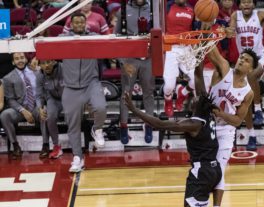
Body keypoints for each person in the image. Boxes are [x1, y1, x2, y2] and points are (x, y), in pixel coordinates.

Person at [123, 84, 221, 207]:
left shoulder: (193, 124)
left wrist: (135, 111)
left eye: (195, 98)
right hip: (213, 170)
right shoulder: (209, 117)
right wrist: (197, 65)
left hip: (202, 172)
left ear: (197, 106)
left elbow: (160, 124)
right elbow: (200, 84)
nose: (193, 97)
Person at [196, 22, 256, 207]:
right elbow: (209, 48)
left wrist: (222, 114)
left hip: (225, 130)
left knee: (219, 171)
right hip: (206, 125)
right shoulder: (224, 68)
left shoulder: (248, 93)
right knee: (202, 168)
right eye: (242, 57)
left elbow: (239, 120)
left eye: (247, 60)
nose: (242, 60)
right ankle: (198, 205)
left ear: (251, 68)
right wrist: (212, 29)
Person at [226, 0, 264, 150]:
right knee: (244, 98)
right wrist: (230, 30)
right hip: (244, 59)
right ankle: (251, 134)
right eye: (243, 2)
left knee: (250, 77)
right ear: (239, 5)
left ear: (254, 4)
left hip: (260, 57)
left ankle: (259, 109)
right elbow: (232, 27)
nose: (246, 5)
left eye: (249, 2)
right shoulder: (235, 15)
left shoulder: (260, 15)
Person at [60, 12, 107, 173]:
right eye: (76, 23)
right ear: (71, 24)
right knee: (73, 125)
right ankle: (77, 158)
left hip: (91, 83)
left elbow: (110, 42)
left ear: (85, 23)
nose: (79, 25)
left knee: (100, 107)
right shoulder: (62, 40)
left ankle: (97, 129)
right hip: (70, 86)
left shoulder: (94, 37)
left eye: (82, 22)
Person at [114, 0, 155, 144]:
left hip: (148, 58)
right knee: (126, 93)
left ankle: (149, 124)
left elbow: (159, 37)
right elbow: (116, 37)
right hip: (129, 59)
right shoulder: (123, 11)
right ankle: (124, 126)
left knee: (149, 93)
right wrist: (122, 61)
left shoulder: (153, 11)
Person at [0, 52, 49, 159]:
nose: (20, 60)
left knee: (44, 111)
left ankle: (45, 145)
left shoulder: (37, 73)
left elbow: (42, 93)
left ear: (26, 59)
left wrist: (40, 107)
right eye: (17, 59)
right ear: (13, 62)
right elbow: (10, 100)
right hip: (20, 109)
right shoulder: (8, 78)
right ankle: (15, 146)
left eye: (22, 57)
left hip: (36, 106)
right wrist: (22, 110)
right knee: (5, 115)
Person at [163, 0, 195, 117]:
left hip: (186, 48)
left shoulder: (192, 9)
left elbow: (194, 29)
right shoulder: (167, 7)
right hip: (171, 47)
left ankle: (183, 93)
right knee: (169, 86)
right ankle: (168, 100)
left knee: (197, 81)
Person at [36, 59, 64, 159]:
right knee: (49, 117)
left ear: (54, 62)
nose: (46, 65)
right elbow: (38, 95)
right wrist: (40, 108)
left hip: (68, 97)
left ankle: (77, 145)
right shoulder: (39, 75)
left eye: (48, 62)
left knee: (73, 116)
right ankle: (56, 146)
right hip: (53, 99)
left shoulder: (63, 68)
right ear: (39, 65)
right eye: (43, 63)